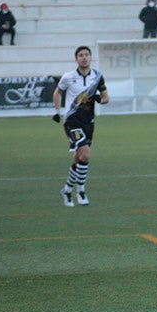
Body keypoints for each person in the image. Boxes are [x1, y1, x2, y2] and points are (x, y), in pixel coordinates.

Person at [52, 46, 109, 207]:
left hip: (88, 122)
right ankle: (81, 191)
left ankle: (67, 190)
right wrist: (57, 111)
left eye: (86, 55)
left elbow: (106, 97)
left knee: (78, 158)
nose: (84, 57)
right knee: (85, 154)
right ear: (76, 59)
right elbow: (58, 92)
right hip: (72, 122)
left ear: (90, 58)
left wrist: (100, 99)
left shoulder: (97, 77)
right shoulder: (68, 77)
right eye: (80, 55)